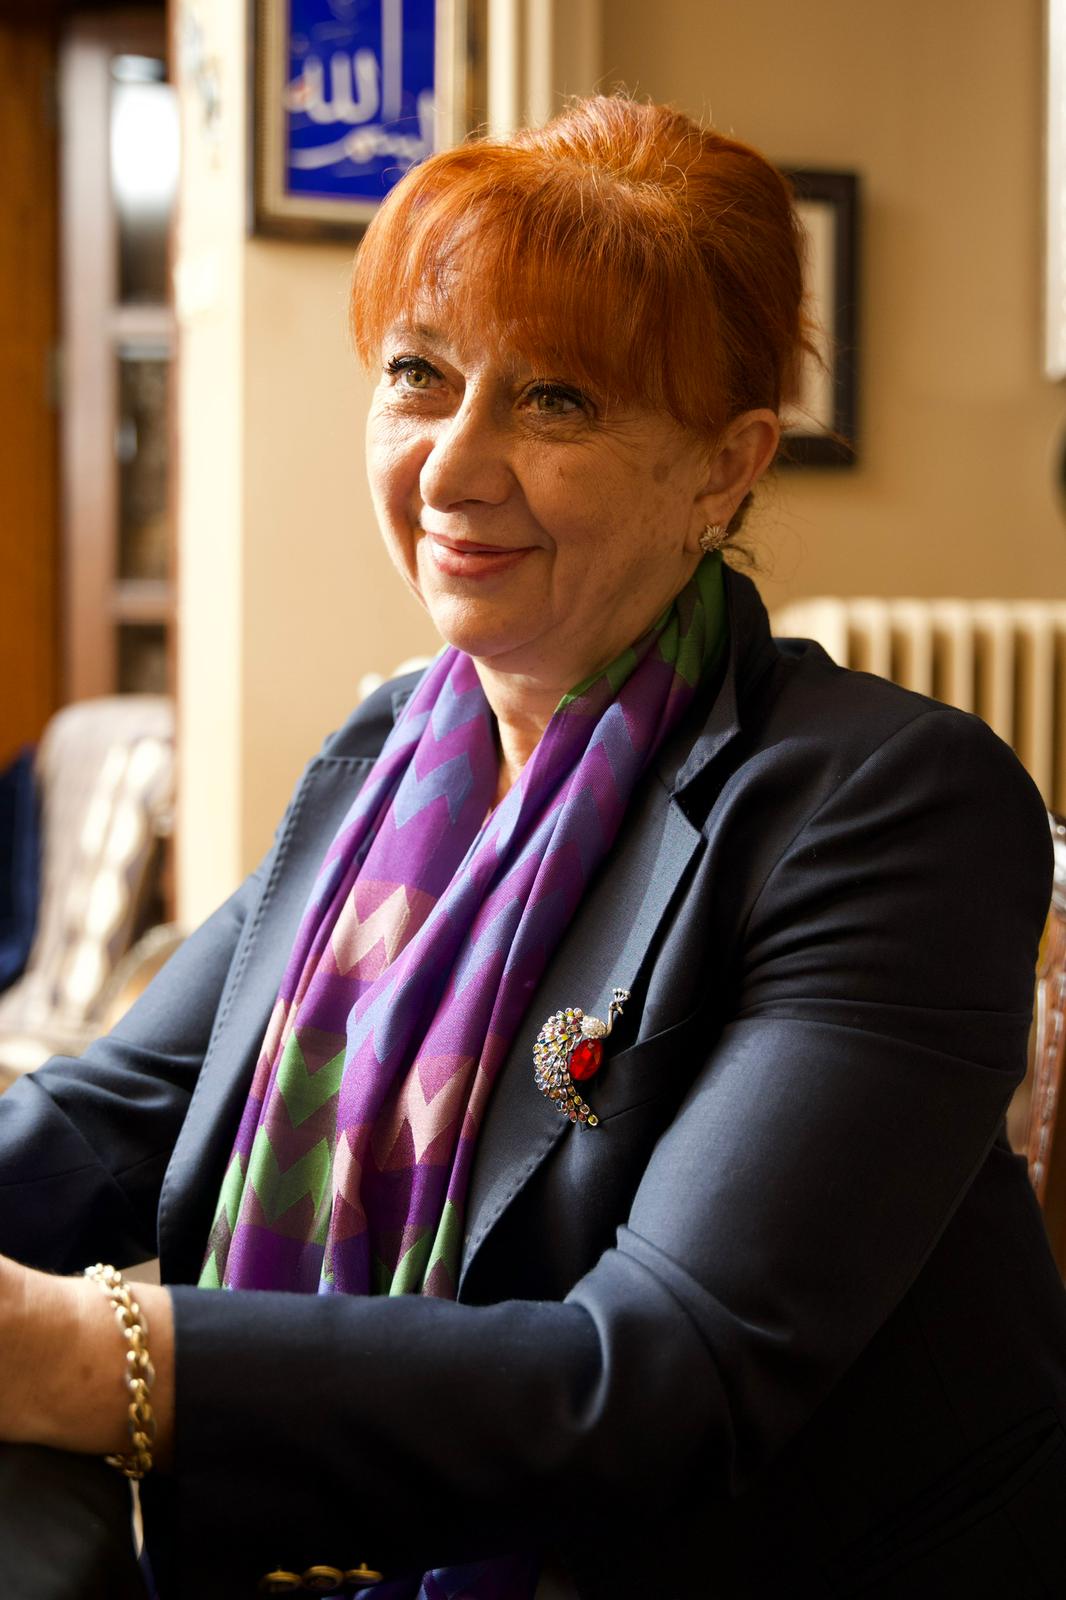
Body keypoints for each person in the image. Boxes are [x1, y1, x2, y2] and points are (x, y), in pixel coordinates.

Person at [0, 94, 1064, 1600]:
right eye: (418, 376)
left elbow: (659, 1379)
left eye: (555, 400)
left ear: (725, 467)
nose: (451, 467)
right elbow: (114, 1120)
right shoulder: (386, 757)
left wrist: (65, 1353)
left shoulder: (890, 807)